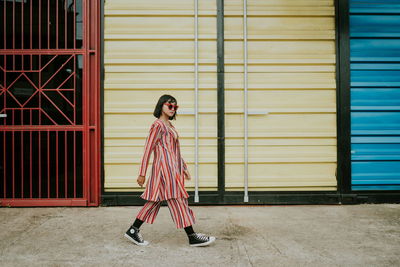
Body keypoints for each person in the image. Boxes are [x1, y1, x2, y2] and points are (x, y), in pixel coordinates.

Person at [124, 94, 216, 247]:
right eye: (170, 105)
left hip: (172, 169)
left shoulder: (170, 126)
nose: (173, 109)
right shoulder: (157, 125)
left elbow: (174, 151)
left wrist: (183, 166)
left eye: (175, 107)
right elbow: (148, 149)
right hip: (164, 170)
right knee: (178, 200)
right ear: (162, 106)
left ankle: (133, 230)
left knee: (154, 201)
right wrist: (142, 173)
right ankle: (192, 236)